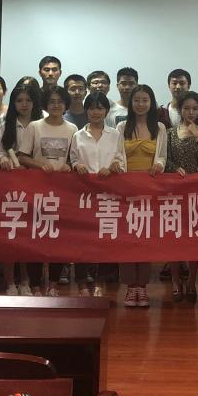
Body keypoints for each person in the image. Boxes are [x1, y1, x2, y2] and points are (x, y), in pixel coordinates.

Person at [115, 85, 167, 309]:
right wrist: (118, 167)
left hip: (149, 191)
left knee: (145, 239)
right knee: (127, 240)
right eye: (136, 100)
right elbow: (117, 155)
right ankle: (130, 286)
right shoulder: (121, 126)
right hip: (126, 192)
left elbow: (162, 156)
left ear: (151, 102)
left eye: (145, 100)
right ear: (131, 103)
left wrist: (159, 164)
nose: (140, 104)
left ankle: (142, 286)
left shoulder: (160, 127)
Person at [69, 92, 124, 296]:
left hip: (108, 195)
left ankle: (101, 281)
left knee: (105, 239)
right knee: (82, 240)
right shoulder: (78, 135)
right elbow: (73, 158)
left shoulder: (115, 134)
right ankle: (82, 283)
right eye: (91, 108)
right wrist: (77, 165)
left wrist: (114, 166)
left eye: (100, 108)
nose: (96, 112)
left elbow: (121, 160)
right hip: (84, 195)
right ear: (86, 110)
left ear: (106, 111)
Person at [165, 91, 198, 307]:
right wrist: (175, 168)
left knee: (195, 239)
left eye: (195, 108)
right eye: (186, 108)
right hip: (174, 192)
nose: (191, 112)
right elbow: (165, 159)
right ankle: (176, 281)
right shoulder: (170, 132)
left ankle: (192, 282)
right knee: (174, 239)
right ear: (180, 110)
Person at [0, 84, 42, 296]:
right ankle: (10, 282)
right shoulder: (4, 121)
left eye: (28, 100)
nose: (24, 105)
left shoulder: (43, 119)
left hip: (36, 184)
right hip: (10, 184)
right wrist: (3, 159)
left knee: (29, 234)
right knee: (10, 232)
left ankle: (26, 280)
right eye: (19, 101)